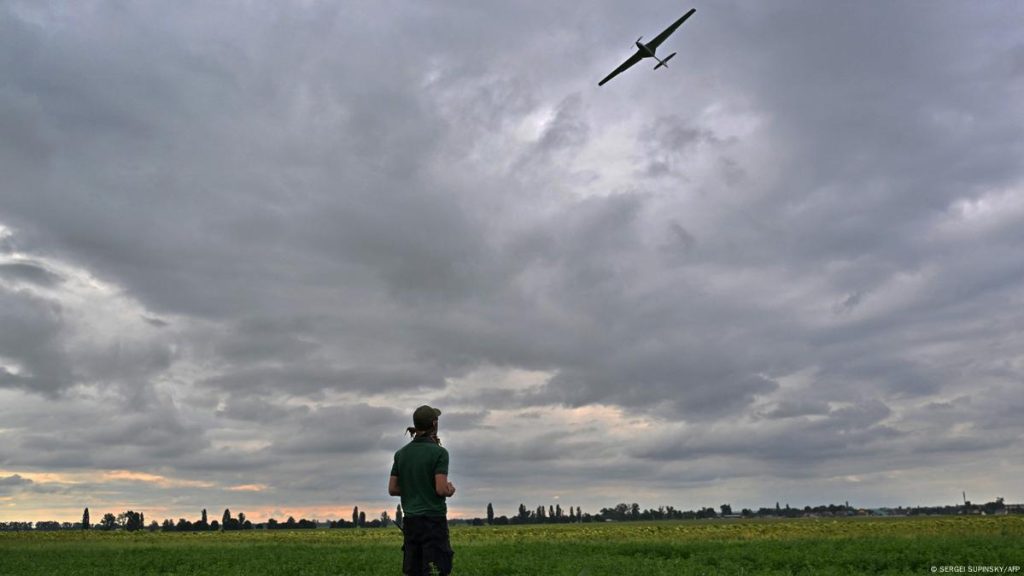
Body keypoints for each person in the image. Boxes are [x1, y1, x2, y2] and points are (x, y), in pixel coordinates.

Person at [389, 405, 456, 576]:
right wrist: (450, 490)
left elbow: (393, 488)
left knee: (414, 571)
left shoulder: (400, 454)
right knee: (436, 570)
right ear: (434, 423)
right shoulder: (440, 453)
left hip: (411, 522)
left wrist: (414, 486)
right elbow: (440, 489)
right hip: (433, 521)